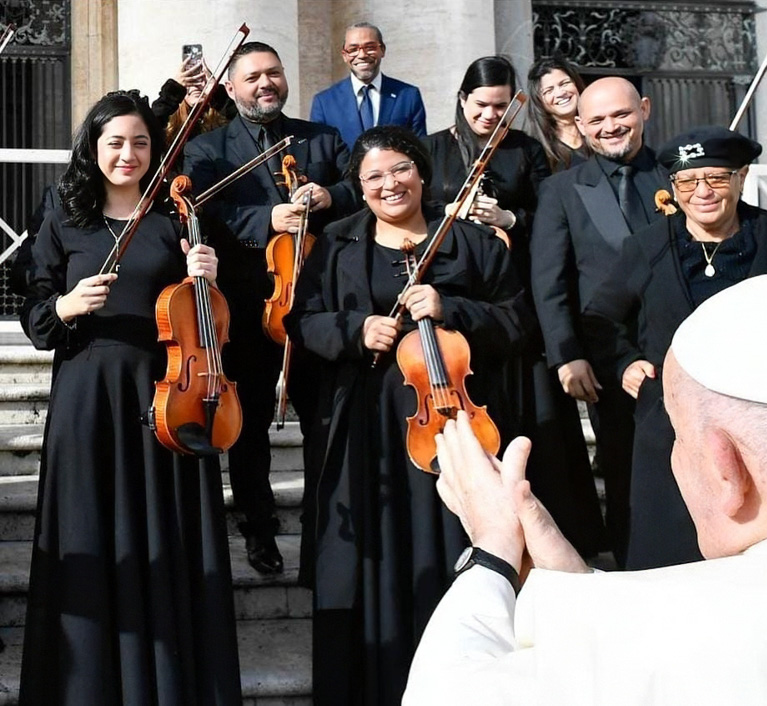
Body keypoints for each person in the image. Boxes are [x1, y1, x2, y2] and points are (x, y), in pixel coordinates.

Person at [404, 272, 767, 706]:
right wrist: (574, 583)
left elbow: (446, 694)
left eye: (679, 437)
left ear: (728, 468)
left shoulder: (681, 644)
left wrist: (491, 552)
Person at [283, 125, 532, 706]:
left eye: (400, 170)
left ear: (421, 172)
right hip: (365, 427)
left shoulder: (471, 243)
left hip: (457, 425)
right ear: (359, 188)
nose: (388, 184)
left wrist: (455, 308)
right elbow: (303, 322)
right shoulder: (339, 243)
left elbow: (520, 323)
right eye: (373, 177)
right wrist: (354, 330)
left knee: (450, 548)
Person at [16, 90, 241, 705]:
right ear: (92, 147)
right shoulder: (64, 216)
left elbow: (216, 319)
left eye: (141, 142)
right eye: (115, 142)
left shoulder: (177, 216)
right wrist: (65, 305)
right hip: (89, 395)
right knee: (91, 527)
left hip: (165, 394)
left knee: (166, 536)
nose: (128, 153)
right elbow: (36, 312)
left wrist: (206, 279)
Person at [582, 125, 767, 570]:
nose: (702, 192)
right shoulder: (647, 248)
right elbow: (600, 318)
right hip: (675, 430)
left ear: (741, 178)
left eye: (716, 178)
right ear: (673, 189)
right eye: (688, 181)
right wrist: (624, 362)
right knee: (670, 560)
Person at [183, 41, 360, 575]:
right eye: (254, 76)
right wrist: (267, 220)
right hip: (245, 307)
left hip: (317, 306)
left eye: (275, 73)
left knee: (324, 424)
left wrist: (329, 197)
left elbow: (359, 187)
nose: (266, 83)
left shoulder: (321, 140)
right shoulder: (208, 149)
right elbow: (207, 212)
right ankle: (258, 529)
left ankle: (322, 535)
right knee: (250, 425)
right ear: (231, 87)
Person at [423, 55, 604, 558]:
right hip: (454, 295)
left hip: (512, 295)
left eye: (502, 107)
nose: (490, 116)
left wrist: (509, 216)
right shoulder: (434, 147)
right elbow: (410, 208)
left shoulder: (526, 150)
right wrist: (447, 214)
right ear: (463, 100)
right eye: (481, 105)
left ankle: (556, 533)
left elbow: (550, 217)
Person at [530, 76, 669, 565]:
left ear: (645, 110)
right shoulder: (561, 190)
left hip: (681, 350)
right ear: (582, 128)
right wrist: (568, 356)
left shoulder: (680, 176)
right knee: (626, 468)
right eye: (598, 120)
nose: (611, 127)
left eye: (621, 115)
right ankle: (636, 566)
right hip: (608, 356)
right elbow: (550, 283)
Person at [310, 22, 427, 150]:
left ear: (382, 50)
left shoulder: (408, 96)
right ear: (344, 55)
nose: (362, 55)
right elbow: (320, 153)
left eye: (370, 47)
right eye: (353, 49)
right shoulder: (324, 103)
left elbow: (419, 151)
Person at [525, 56, 590, 172]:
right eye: (549, 90)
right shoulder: (535, 147)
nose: (560, 93)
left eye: (564, 83)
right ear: (539, 101)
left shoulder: (598, 129)